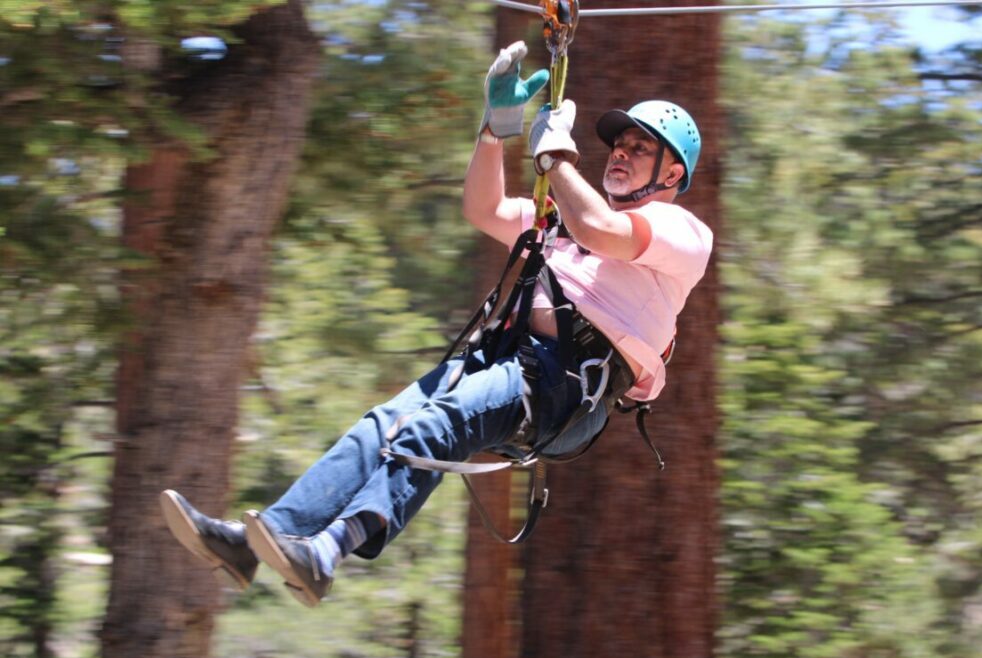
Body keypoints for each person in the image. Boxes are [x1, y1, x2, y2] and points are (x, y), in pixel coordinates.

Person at [160, 41, 713, 608]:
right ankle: (259, 540)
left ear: (672, 172)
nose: (620, 154)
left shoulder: (681, 233)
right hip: (507, 360)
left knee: (436, 424)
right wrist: (494, 134)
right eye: (619, 145)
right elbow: (484, 210)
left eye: (639, 148)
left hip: (563, 384)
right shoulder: (563, 220)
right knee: (380, 427)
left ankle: (325, 553)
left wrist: (558, 160)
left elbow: (602, 230)